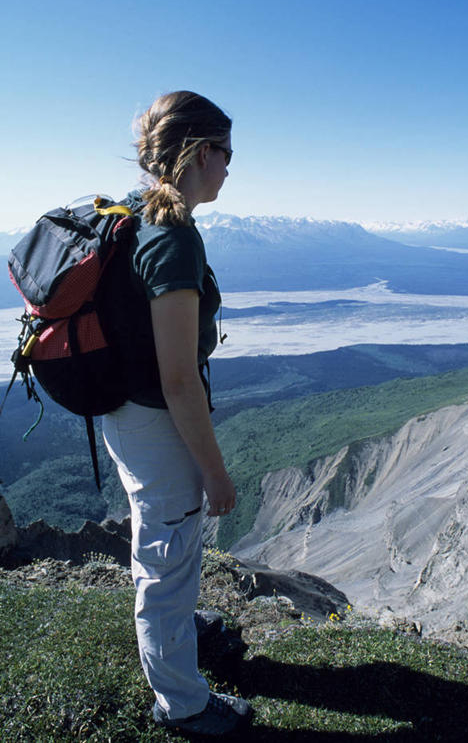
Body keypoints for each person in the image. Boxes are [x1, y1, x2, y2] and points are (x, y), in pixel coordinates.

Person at [101, 91, 252, 736]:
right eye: (224, 152)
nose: (229, 167)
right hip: (156, 416)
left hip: (124, 410)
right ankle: (183, 705)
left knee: (163, 537)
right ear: (195, 152)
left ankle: (180, 631)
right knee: (167, 552)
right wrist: (215, 473)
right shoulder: (173, 239)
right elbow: (178, 377)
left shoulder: (136, 215)